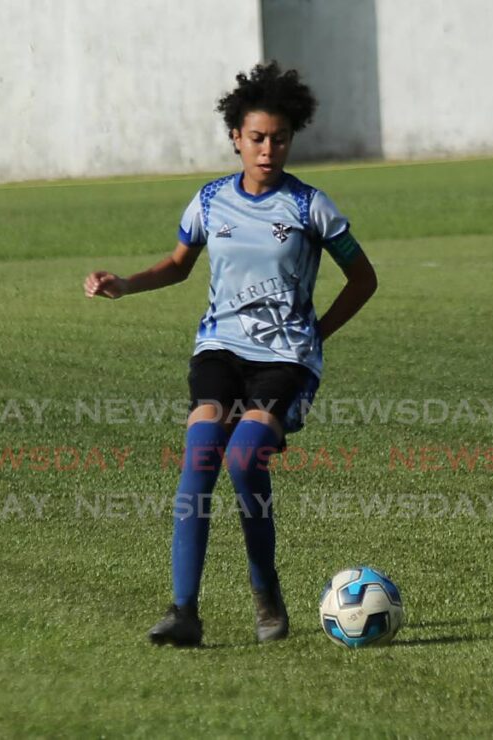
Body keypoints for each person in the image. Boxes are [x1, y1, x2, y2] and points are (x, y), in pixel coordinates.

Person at [83, 61, 378, 647]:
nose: (269, 149)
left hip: (284, 358)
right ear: (236, 138)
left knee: (244, 459)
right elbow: (176, 264)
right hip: (218, 348)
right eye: (258, 138)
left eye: (280, 139)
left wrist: (314, 334)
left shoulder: (310, 206)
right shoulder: (211, 200)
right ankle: (184, 611)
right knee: (200, 457)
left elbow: (363, 278)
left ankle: (265, 591)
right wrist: (124, 283)